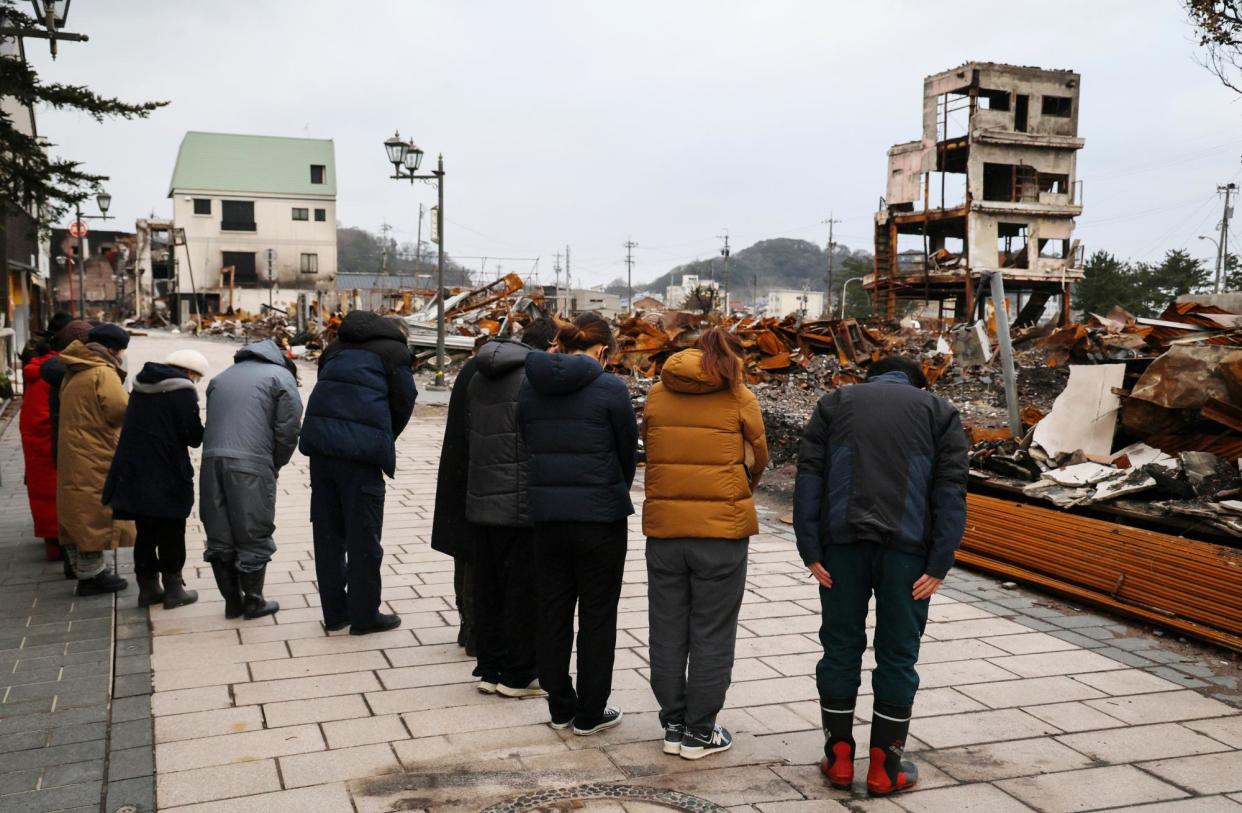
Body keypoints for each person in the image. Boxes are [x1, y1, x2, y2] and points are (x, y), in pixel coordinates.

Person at [794, 354, 968, 797]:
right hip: (908, 556)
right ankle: (884, 767)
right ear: (917, 383)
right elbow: (951, 490)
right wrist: (940, 562)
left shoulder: (835, 404)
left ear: (870, 377)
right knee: (897, 655)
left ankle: (838, 756)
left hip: (840, 550)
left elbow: (809, 477)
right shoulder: (939, 412)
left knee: (839, 648)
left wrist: (810, 548)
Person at [642, 327, 769, 760]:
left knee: (667, 627)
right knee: (713, 631)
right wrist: (742, 484)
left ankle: (673, 723)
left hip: (665, 529)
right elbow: (759, 454)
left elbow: (652, 446)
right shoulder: (738, 395)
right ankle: (699, 733)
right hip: (722, 532)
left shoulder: (658, 393)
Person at [517, 313, 638, 736]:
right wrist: (611, 490)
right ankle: (590, 712)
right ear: (603, 349)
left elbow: (525, 443)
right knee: (597, 616)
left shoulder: (530, 387)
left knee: (551, 610)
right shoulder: (610, 389)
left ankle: (559, 704)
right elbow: (627, 454)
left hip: (547, 517)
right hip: (600, 520)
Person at [299, 312, 416, 635]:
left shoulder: (335, 347)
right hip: (360, 458)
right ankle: (365, 616)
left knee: (328, 534)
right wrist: (382, 435)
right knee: (363, 534)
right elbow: (405, 399)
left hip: (321, 449)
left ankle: (335, 613)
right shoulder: (394, 352)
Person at [465, 318, 557, 697]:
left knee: (488, 589)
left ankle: (489, 669)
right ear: (550, 346)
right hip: (520, 502)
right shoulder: (532, 380)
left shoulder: (478, 375)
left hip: (482, 496)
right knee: (522, 591)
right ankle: (518, 675)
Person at [201, 339, 302, 619]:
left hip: (211, 462)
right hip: (251, 462)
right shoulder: (281, 377)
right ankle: (254, 601)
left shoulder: (221, 378)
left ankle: (232, 601)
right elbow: (289, 428)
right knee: (253, 529)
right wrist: (276, 462)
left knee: (219, 531)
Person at [104, 350, 209, 610]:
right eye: (195, 377)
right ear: (188, 372)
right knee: (172, 529)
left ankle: (148, 589)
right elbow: (192, 436)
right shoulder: (182, 390)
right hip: (167, 470)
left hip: (136, 469)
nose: (194, 381)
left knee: (146, 530)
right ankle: (174, 590)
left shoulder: (141, 386)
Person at [56, 324, 136, 595]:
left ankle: (87, 570)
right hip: (95, 450)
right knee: (95, 512)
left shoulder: (75, 368)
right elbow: (118, 410)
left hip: (75, 448)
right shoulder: (102, 371)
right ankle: (91, 578)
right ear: (112, 349)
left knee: (80, 508)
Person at [431, 338, 483, 656]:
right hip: (491, 477)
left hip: (460, 470)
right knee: (480, 554)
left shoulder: (470, 369)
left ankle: (467, 622)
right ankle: (477, 629)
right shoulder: (514, 373)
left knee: (464, 552)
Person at [19, 312, 73, 564]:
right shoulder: (54, 373)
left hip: (37, 440)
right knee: (54, 491)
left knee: (44, 491)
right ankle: (59, 544)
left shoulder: (38, 369)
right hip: (49, 440)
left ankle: (54, 542)